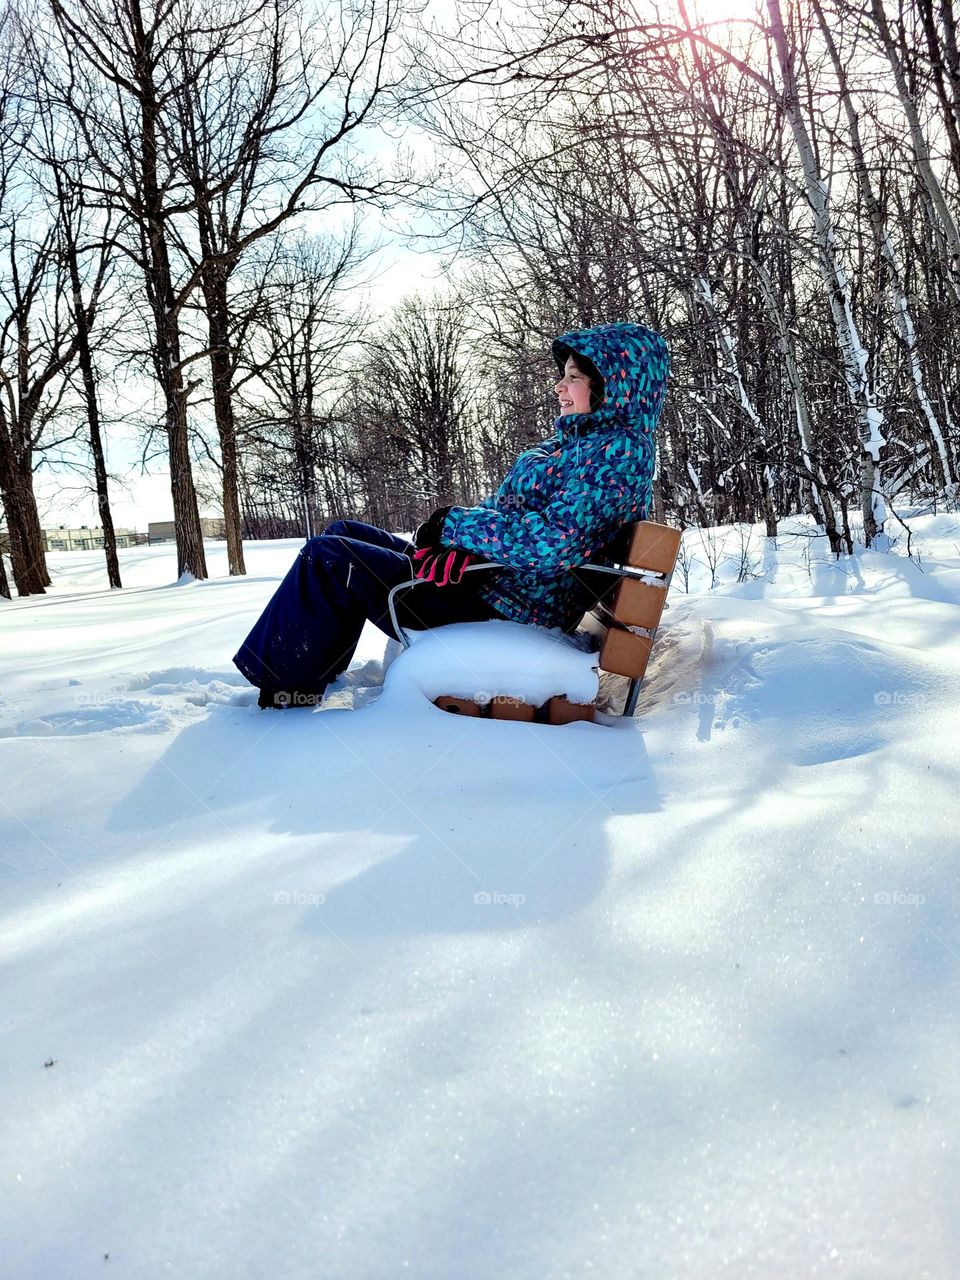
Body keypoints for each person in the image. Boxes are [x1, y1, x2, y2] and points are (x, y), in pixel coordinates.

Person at [232, 320, 670, 708]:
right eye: (563, 375)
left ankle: (285, 693)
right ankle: (312, 671)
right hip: (486, 579)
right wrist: (453, 537)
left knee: (329, 557)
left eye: (573, 377)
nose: (559, 386)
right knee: (342, 532)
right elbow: (510, 514)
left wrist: (455, 526)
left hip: (504, 604)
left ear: (614, 387)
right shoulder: (579, 443)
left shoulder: (618, 450)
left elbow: (551, 545)